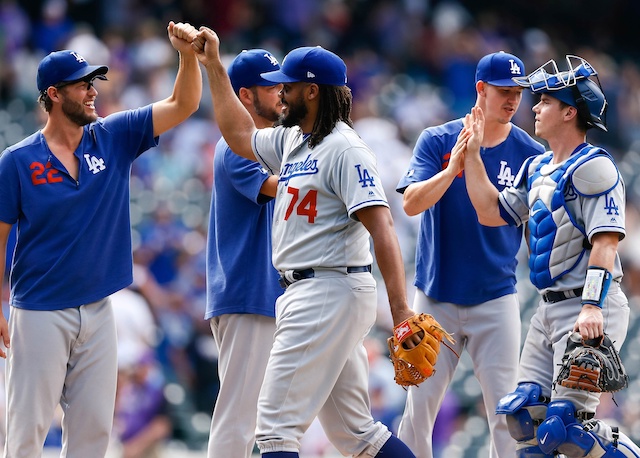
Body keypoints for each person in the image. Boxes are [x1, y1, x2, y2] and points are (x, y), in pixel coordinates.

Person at [192, 27, 421, 458]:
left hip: (327, 289)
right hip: (312, 291)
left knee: (274, 429)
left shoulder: (344, 149)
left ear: (312, 92)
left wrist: (401, 310)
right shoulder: (294, 140)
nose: (282, 95)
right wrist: (212, 67)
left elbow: (383, 227)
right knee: (357, 435)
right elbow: (237, 136)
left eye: (289, 87)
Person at [0, 21, 202, 457]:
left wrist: (187, 56)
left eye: (94, 82)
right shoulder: (16, 161)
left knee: (92, 435)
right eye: (81, 84)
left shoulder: (113, 135)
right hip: (38, 311)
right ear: (53, 93)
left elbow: (183, 102)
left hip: (98, 309)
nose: (93, 91)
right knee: (25, 434)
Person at [461, 55, 640, 456]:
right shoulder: (538, 166)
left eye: (545, 101)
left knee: (567, 427)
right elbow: (491, 212)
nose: (535, 107)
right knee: (526, 422)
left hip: (587, 306)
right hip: (547, 308)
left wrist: (592, 306)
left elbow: (607, 242)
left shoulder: (595, 168)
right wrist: (471, 156)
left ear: (569, 112)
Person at [395, 51, 545, 458]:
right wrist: (452, 170)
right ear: (481, 89)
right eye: (504, 91)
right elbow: (410, 204)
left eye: (518, 92)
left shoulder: (531, 152)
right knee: (418, 411)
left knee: (507, 416)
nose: (513, 100)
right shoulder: (439, 139)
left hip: (495, 297)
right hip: (436, 296)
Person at [204, 48, 284, 458]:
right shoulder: (234, 145)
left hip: (268, 295)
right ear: (246, 96)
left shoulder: (271, 143)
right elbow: (283, 188)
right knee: (238, 419)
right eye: (272, 87)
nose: (282, 93)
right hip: (248, 293)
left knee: (274, 419)